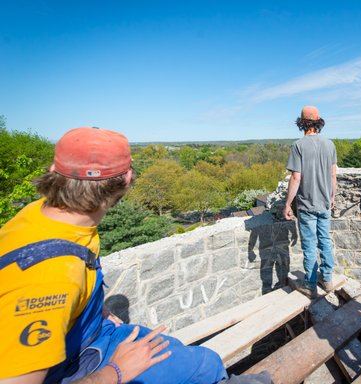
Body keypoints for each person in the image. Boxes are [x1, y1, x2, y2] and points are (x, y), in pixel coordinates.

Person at [0, 127, 228, 383]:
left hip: (94, 332)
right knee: (207, 365)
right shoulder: (48, 279)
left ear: (55, 172)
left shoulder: (50, 215)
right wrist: (116, 372)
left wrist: (97, 308)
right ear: (127, 179)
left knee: (172, 347)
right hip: (80, 364)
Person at [283, 106, 337, 298]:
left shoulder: (298, 145)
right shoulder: (330, 144)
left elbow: (296, 178)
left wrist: (288, 204)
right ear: (318, 122)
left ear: (302, 123)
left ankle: (311, 285)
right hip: (324, 203)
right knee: (325, 241)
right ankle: (328, 280)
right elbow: (332, 175)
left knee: (309, 244)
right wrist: (332, 197)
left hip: (306, 205)